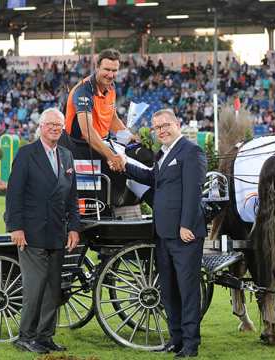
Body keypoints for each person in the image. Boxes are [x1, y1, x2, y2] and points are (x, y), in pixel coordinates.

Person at [112, 109, 207, 358]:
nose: (162, 130)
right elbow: (151, 178)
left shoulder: (190, 151)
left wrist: (186, 225)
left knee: (187, 292)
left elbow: (193, 192)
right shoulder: (162, 154)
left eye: (166, 125)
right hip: (163, 234)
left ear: (177, 124)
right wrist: (125, 165)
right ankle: (176, 340)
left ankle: (190, 345)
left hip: (184, 234)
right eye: (157, 127)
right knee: (168, 291)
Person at [5, 108, 81, 354]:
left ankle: (45, 337)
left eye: (59, 125)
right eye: (50, 124)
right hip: (31, 232)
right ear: (40, 127)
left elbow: (72, 197)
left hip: (58, 233)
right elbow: (13, 194)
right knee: (35, 288)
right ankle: (25, 336)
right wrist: (15, 227)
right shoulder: (27, 154)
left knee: (53, 290)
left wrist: (74, 228)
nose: (55, 128)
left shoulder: (67, 156)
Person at [61, 48, 133, 173]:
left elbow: (112, 119)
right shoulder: (84, 90)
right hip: (80, 146)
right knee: (123, 169)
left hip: (102, 141)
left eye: (114, 70)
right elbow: (87, 132)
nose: (110, 75)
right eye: (107, 69)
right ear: (97, 67)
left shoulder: (111, 86)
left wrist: (129, 137)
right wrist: (111, 156)